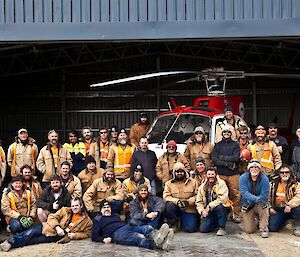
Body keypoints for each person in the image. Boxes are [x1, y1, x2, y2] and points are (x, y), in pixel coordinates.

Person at [0, 197, 92, 252]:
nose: (74, 208)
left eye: (76, 206)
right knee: (30, 233)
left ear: (81, 206)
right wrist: (57, 227)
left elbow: (87, 233)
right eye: (73, 206)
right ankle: (10, 242)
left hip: (58, 236)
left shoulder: (87, 221)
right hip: (48, 227)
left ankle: (9, 242)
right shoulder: (65, 210)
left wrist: (75, 235)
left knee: (33, 240)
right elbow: (52, 216)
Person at [92, 199, 174, 251]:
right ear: (100, 209)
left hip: (126, 226)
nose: (107, 209)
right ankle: (158, 244)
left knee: (146, 228)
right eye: (104, 207)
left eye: (108, 207)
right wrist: (103, 239)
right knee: (139, 237)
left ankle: (158, 236)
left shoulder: (115, 215)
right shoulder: (98, 219)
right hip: (116, 234)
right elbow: (94, 236)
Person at [212, 125, 241, 223]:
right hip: (221, 174)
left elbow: (236, 158)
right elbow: (214, 159)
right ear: (222, 134)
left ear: (231, 134)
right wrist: (227, 163)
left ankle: (236, 214)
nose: (226, 134)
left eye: (228, 132)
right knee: (222, 194)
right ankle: (224, 214)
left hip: (234, 174)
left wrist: (222, 157)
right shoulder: (217, 145)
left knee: (235, 194)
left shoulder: (236, 145)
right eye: (225, 132)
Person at [163, 163, 199, 232]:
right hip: (175, 206)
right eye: (177, 172)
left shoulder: (193, 182)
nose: (179, 173)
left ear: (185, 172)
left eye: (181, 171)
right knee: (169, 205)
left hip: (188, 208)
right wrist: (177, 201)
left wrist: (188, 202)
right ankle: (174, 223)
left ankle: (184, 221)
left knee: (190, 229)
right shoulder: (168, 183)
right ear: (174, 172)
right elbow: (166, 196)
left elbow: (198, 195)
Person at [196, 167, 231, 236]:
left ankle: (222, 227)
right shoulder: (202, 187)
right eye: (209, 174)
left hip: (222, 207)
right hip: (209, 211)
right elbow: (199, 201)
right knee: (203, 229)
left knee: (220, 207)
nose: (211, 176)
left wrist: (210, 206)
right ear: (206, 175)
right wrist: (202, 211)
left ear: (216, 175)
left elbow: (223, 199)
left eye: (212, 174)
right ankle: (215, 222)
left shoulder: (221, 183)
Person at [239, 160, 270, 238]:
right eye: (252, 167)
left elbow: (264, 194)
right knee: (249, 230)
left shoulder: (264, 179)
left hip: (261, 202)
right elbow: (244, 193)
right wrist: (255, 199)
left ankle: (264, 229)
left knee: (264, 206)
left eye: (256, 167)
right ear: (249, 169)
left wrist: (257, 199)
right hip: (247, 203)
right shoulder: (243, 177)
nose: (254, 169)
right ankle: (255, 221)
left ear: (259, 169)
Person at [269, 165, 300, 236]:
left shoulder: (296, 184)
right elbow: (267, 196)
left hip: (291, 208)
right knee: (272, 228)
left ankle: (297, 226)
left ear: (290, 173)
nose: (284, 174)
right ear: (279, 174)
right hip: (279, 209)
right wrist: (270, 207)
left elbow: (299, 196)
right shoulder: (273, 184)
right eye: (282, 172)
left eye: (287, 172)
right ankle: (285, 221)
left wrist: (290, 205)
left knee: (298, 208)